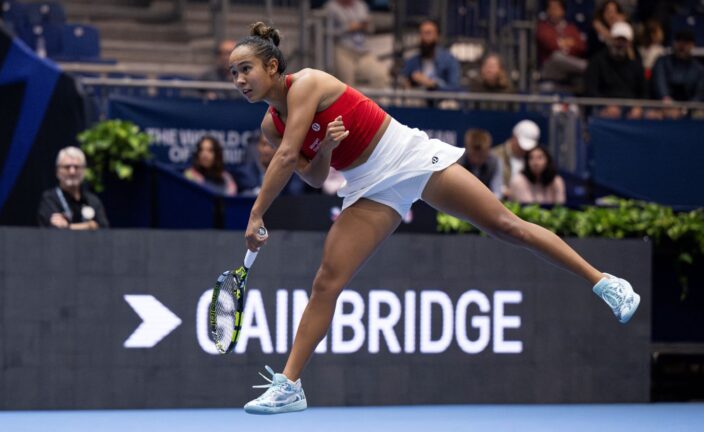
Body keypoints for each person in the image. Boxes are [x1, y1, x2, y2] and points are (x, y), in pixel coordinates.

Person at [230, 22, 641, 415]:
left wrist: (255, 215)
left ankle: (604, 282)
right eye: (233, 73)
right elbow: (314, 173)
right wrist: (324, 149)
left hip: (408, 157)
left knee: (505, 226)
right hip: (367, 185)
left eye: (245, 68)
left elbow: (285, 157)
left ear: (272, 66)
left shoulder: (309, 83)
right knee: (326, 281)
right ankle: (290, 385)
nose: (239, 79)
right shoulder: (271, 124)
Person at [584, 22, 647, 119]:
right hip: (603, 105)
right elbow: (591, 90)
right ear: (611, 40)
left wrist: (638, 107)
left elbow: (644, 91)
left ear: (629, 43)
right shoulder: (597, 60)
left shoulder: (636, 64)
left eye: (624, 40)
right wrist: (605, 105)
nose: (620, 44)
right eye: (617, 39)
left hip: (630, 107)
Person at [37, 146, 109, 229]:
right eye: (67, 167)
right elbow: (50, 230)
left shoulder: (93, 201)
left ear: (84, 170)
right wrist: (89, 226)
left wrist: (67, 227)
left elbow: (104, 229)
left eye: (77, 167)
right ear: (57, 172)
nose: (72, 172)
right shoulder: (49, 199)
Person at [324, 0, 389, 89]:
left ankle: (376, 103)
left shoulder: (361, 5)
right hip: (343, 50)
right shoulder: (331, 7)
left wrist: (366, 26)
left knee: (380, 74)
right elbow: (326, 32)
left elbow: (370, 29)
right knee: (347, 86)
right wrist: (347, 28)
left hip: (363, 52)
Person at [536, 0, 587, 92]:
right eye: (550, 9)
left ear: (563, 11)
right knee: (557, 56)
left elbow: (581, 46)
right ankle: (586, 67)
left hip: (569, 71)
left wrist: (561, 43)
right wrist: (569, 43)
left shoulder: (571, 28)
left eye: (556, 8)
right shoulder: (543, 27)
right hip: (550, 69)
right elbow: (551, 45)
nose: (553, 11)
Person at [401, 19, 461, 93]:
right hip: (418, 99)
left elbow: (454, 87)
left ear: (437, 36)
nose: (424, 37)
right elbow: (402, 81)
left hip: (441, 99)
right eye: (421, 33)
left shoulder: (449, 60)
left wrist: (432, 84)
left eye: (428, 33)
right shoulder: (412, 61)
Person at [491, 119, 540, 199]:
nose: (524, 150)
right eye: (521, 145)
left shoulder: (534, 158)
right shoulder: (495, 155)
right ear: (514, 137)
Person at [457, 129, 503, 199]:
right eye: (473, 155)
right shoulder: (458, 162)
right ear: (467, 149)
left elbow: (497, 192)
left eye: (482, 156)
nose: (477, 160)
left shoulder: (495, 162)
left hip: (486, 202)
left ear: (488, 150)